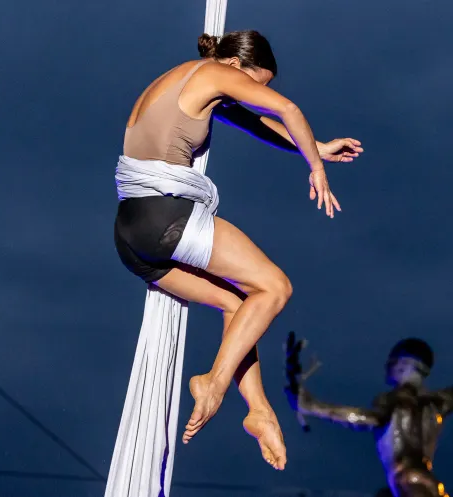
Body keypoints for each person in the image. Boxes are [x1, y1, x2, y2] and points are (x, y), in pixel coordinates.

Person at [113, 29, 363, 471]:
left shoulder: (186, 80)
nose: (256, 93)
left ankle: (259, 410)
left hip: (133, 236)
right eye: (256, 82)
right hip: (166, 218)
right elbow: (286, 109)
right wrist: (316, 168)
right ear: (234, 66)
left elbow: (256, 122)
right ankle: (213, 382)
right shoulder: (211, 73)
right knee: (275, 288)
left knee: (238, 304)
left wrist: (318, 146)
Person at [284, 306, 453, 496]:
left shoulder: (393, 399)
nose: (386, 367)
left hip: (406, 476)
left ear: (403, 364)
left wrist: (312, 405)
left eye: (391, 361)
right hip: (430, 480)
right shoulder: (439, 401)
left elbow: (369, 419)